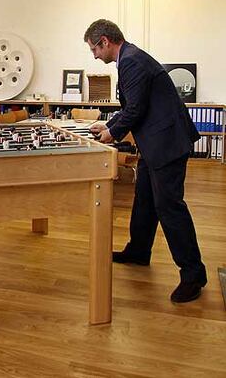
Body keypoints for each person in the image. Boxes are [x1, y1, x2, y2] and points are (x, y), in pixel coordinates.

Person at [84, 19, 207, 303]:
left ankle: (193, 275)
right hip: (156, 143)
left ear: (104, 41)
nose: (93, 55)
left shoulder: (132, 62)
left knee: (169, 207)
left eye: (93, 49)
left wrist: (112, 133)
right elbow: (133, 107)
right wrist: (109, 125)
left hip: (167, 144)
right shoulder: (130, 57)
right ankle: (139, 251)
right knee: (144, 199)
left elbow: (136, 109)